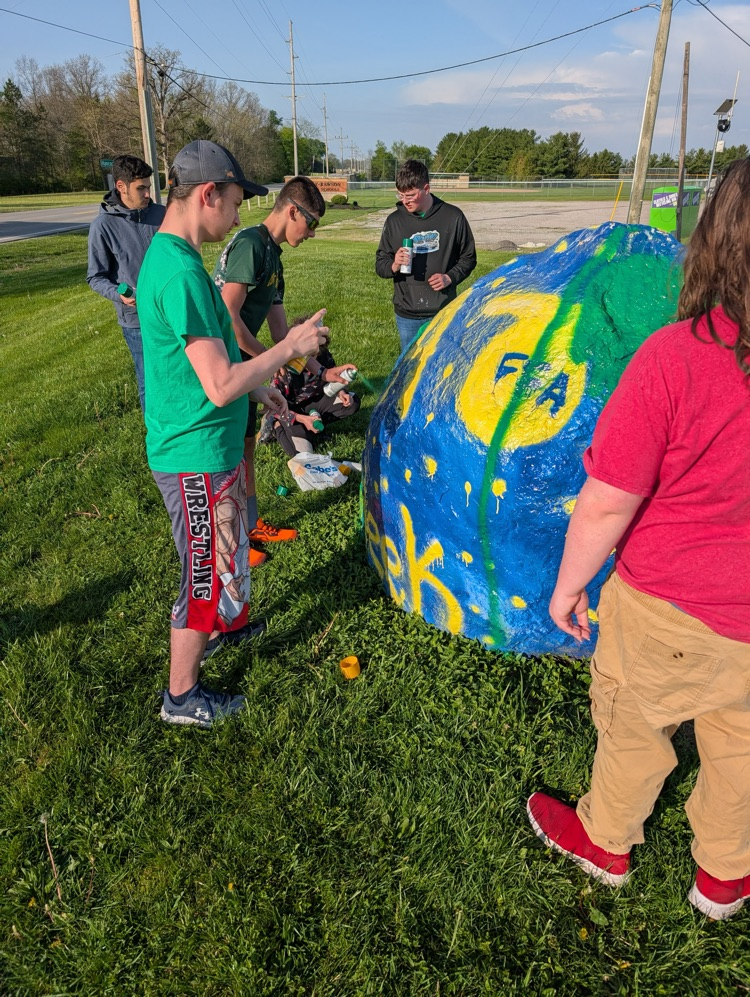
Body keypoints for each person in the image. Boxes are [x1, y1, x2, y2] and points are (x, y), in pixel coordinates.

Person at [526, 159, 750, 920]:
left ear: (714, 241)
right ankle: (724, 875)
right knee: (740, 750)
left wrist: (568, 585)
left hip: (667, 604)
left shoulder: (679, 358)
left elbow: (606, 504)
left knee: (634, 724)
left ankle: (606, 839)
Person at [136, 140, 327, 728]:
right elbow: (217, 383)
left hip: (210, 446)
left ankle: (226, 628)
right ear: (207, 194)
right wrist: (288, 349)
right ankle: (181, 696)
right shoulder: (179, 273)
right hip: (192, 453)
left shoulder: (185, 262)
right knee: (203, 574)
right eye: (237, 201)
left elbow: (218, 366)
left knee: (227, 554)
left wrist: (260, 386)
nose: (240, 215)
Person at [214, 176, 354, 565]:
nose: (311, 234)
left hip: (245, 365)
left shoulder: (272, 257)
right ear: (292, 211)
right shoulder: (251, 245)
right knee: (225, 457)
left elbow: (281, 333)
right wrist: (266, 363)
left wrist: (322, 373)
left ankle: (252, 523)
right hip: (222, 366)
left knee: (245, 450)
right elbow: (226, 318)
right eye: (311, 224)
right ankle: (231, 540)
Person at [86, 155, 166, 411]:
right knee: (149, 381)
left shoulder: (162, 215)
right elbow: (95, 277)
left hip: (170, 313)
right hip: (136, 321)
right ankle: (156, 437)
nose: (147, 193)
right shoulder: (103, 226)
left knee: (176, 375)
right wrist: (118, 295)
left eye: (148, 187)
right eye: (140, 188)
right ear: (121, 186)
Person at [375, 159, 477, 353]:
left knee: (442, 364)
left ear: (427, 188)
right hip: (407, 314)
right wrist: (394, 264)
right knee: (410, 367)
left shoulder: (453, 217)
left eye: (411, 195)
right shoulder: (394, 221)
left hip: (443, 310)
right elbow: (380, 264)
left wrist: (450, 277)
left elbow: (468, 257)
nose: (405, 201)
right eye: (401, 195)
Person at [259, 317, 361, 457]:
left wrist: (341, 392)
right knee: (303, 454)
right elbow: (276, 406)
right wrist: (302, 419)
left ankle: (315, 425)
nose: (313, 354)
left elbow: (330, 379)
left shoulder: (323, 355)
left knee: (352, 402)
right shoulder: (283, 367)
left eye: (317, 348)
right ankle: (275, 426)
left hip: (316, 402)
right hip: (290, 410)